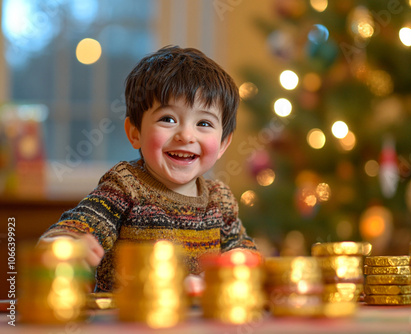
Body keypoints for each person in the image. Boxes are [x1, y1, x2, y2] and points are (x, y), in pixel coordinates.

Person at [39, 45, 259, 292]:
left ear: (222, 144)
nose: (186, 135)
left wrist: (243, 261)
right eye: (168, 119)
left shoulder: (220, 200)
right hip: (129, 322)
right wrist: (67, 246)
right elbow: (73, 229)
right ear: (135, 133)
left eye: (204, 123)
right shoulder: (125, 187)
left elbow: (242, 251)